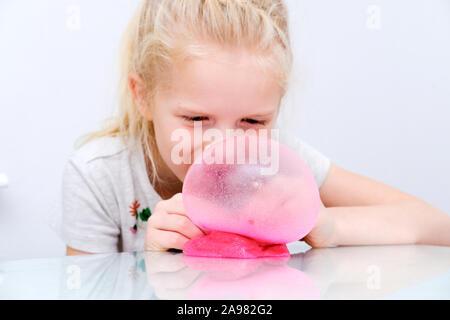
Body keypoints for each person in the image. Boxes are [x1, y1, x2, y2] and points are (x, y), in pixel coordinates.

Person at [59, 0, 450, 256]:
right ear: (141, 95)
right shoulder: (99, 175)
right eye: (196, 119)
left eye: (252, 121)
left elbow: (436, 227)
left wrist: (329, 224)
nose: (225, 148)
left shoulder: (276, 162)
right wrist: (154, 268)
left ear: (275, 110)